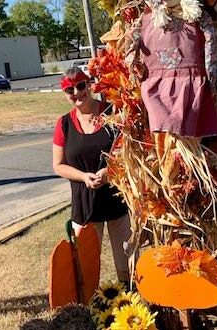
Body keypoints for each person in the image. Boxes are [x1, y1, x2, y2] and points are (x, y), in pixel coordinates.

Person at [52, 67, 132, 283]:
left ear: (89, 85)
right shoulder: (64, 124)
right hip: (85, 205)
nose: (76, 93)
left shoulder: (113, 113)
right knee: (85, 270)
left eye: (80, 86)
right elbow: (58, 165)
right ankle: (91, 311)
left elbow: (131, 154)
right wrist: (84, 176)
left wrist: (110, 172)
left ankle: (131, 304)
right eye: (69, 90)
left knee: (128, 266)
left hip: (118, 201)